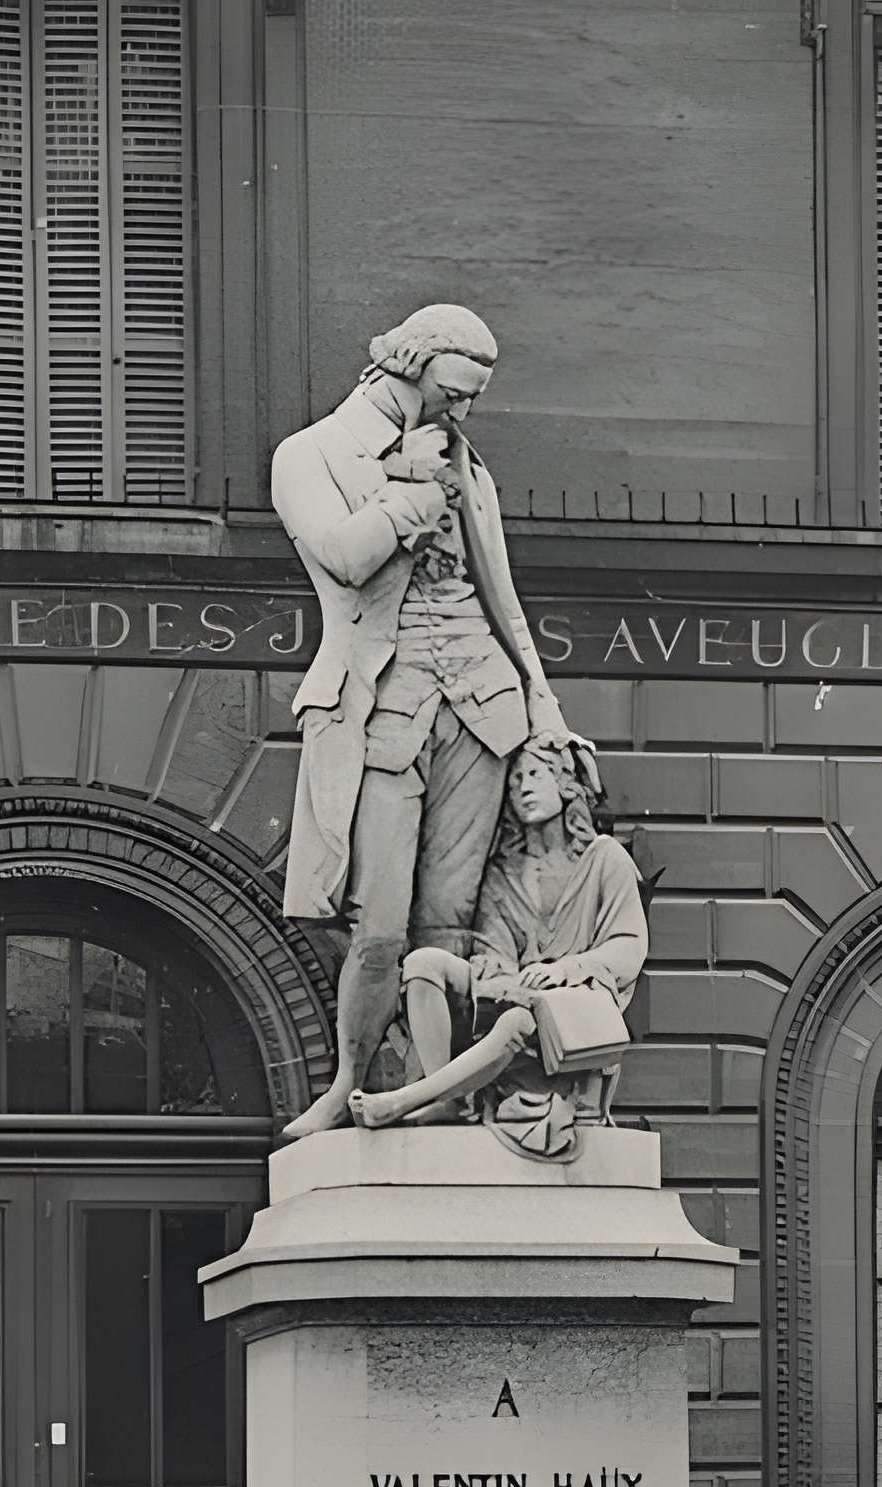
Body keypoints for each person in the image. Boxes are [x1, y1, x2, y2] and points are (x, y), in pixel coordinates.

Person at [270, 302, 595, 1140]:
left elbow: (502, 600)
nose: (464, 412)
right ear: (406, 368)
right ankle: (347, 1083)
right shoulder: (310, 455)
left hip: (483, 708)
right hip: (381, 708)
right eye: (455, 392)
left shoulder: (465, 462)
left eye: (473, 398)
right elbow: (342, 557)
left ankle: (434, 1085)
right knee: (376, 925)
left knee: (449, 922)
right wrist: (410, 488)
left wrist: (545, 709)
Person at [348, 740, 648, 1161]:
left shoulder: (604, 859)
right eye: (515, 780)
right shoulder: (504, 874)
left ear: (565, 785)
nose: (522, 787)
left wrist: (567, 969)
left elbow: (628, 949)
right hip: (520, 992)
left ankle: (404, 1101)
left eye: (535, 774)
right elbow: (495, 951)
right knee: (423, 964)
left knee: (517, 1022)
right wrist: (503, 976)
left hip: (577, 1008)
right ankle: (448, 1096)